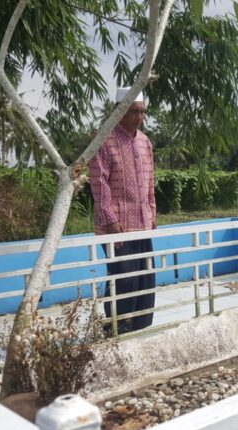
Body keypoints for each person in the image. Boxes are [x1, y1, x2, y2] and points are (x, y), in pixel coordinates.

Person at [88, 87, 156, 334]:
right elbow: (98, 182)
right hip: (116, 225)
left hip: (142, 222)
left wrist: (152, 214)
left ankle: (141, 328)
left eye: (142, 112)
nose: (139, 117)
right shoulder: (104, 141)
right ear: (119, 111)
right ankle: (117, 328)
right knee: (123, 278)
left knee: (145, 276)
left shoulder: (144, 142)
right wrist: (109, 219)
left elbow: (150, 182)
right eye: (134, 112)